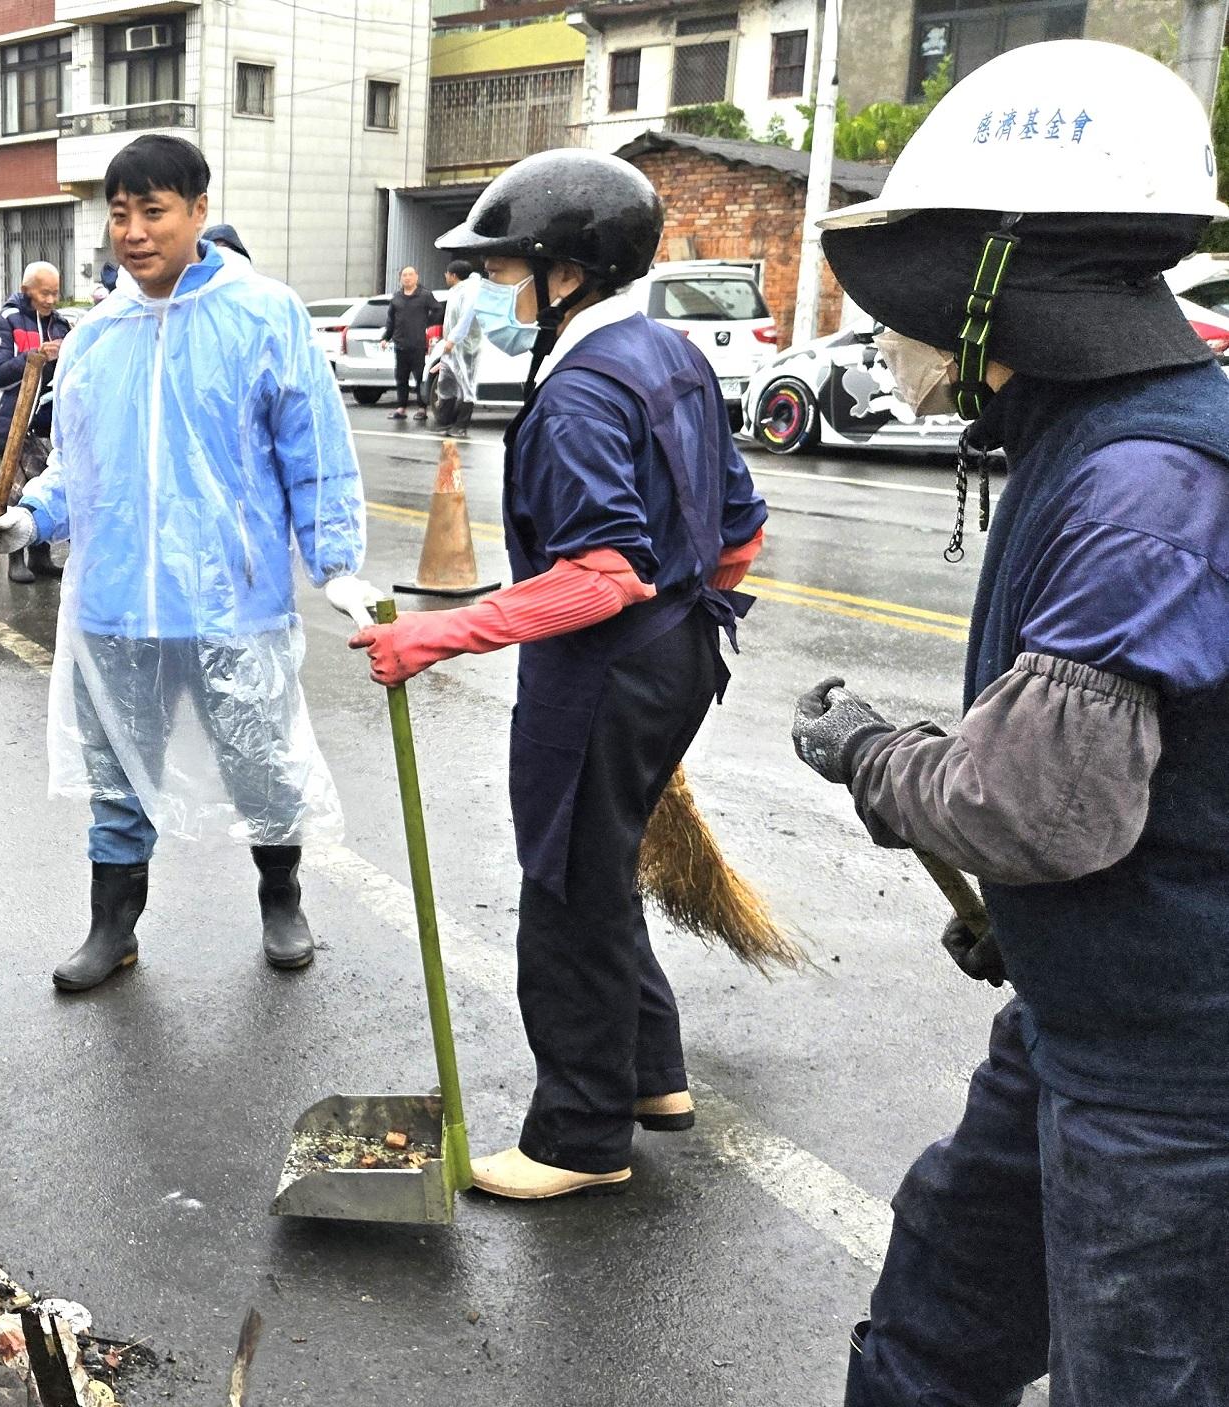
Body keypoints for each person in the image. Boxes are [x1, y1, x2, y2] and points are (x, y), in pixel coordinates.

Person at [777, 41, 1229, 1405]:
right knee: (936, 1324)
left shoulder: (1144, 481)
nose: (887, 333)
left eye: (910, 294)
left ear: (999, 290)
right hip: (1083, 1023)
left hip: (1171, 1082)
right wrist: (1030, 927)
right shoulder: (1104, 435)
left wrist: (873, 753)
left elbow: (1037, 809)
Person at [346, 149, 768, 1200]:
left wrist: (430, 638)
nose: (492, 294)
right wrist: (673, 637)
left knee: (569, 891)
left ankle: (578, 1138)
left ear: (563, 274)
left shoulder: (578, 394)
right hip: (680, 657)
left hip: (603, 673)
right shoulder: (667, 354)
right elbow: (740, 532)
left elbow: (602, 577)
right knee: (604, 864)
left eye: (505, 273)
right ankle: (649, 1076)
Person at [0, 134, 375, 991]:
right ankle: (112, 927)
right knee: (117, 776)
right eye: (120, 213)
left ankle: (281, 899)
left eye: (153, 211)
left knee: (261, 762)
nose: (134, 231)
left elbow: (314, 448)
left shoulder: (264, 315)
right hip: (117, 605)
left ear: (197, 211)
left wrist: (334, 562)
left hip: (236, 600)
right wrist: (26, 519)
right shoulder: (97, 337)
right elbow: (81, 466)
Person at [0, 260, 71, 585]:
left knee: (46, 486)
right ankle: (15, 559)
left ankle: (41, 555)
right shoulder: (5, 322)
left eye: (55, 293)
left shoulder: (62, 326)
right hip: (12, 424)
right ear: (26, 289)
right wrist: (34, 357)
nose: (50, 300)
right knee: (13, 492)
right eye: (44, 293)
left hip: (46, 426)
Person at [426, 258, 485, 435]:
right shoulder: (456, 291)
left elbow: (466, 318)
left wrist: (452, 339)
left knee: (467, 384)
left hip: (466, 346)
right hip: (452, 346)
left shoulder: (470, 291)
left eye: (447, 273)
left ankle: (461, 425)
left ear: (453, 275)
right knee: (446, 382)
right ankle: (444, 421)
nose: (445, 276)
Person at [380, 265, 441, 423]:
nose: (407, 278)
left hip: (418, 344)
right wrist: (386, 337)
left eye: (410, 275)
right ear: (400, 278)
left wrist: (427, 323)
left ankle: (422, 408)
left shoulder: (425, 295)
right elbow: (391, 320)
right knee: (401, 378)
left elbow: (438, 310)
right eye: (404, 275)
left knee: (420, 377)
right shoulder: (396, 298)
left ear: (416, 277)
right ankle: (401, 408)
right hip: (400, 344)